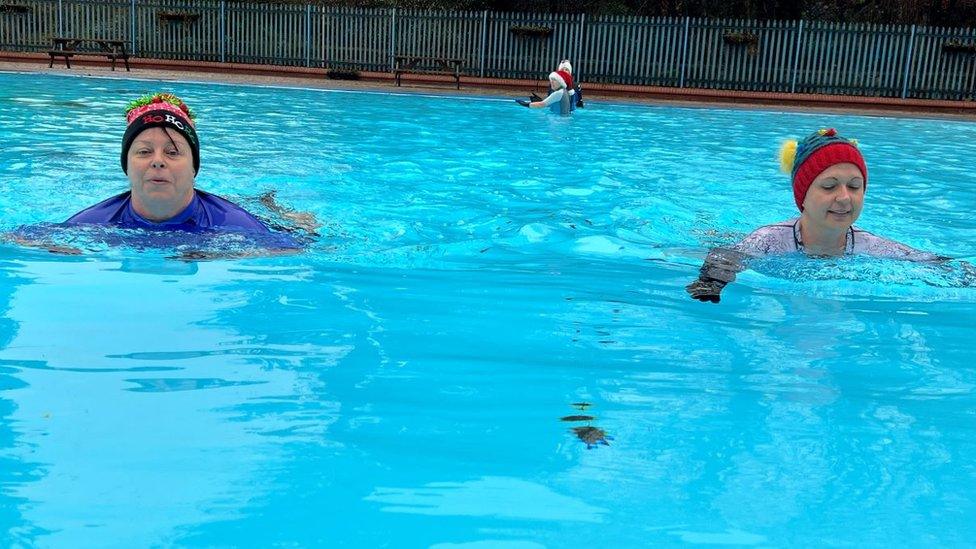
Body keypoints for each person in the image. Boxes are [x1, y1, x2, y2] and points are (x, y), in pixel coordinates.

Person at [686, 128, 948, 303]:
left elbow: (930, 262)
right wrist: (711, 285)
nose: (845, 198)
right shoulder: (770, 240)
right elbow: (725, 256)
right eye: (829, 186)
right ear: (803, 196)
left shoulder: (871, 246)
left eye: (855, 187)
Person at [66, 92, 280, 233]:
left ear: (194, 168)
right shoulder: (88, 225)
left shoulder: (240, 227)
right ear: (126, 166)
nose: (157, 161)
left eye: (173, 152)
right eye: (144, 151)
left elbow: (296, 247)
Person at [515, 60, 582, 115]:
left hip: (559, 121)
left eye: (554, 80)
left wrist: (525, 104)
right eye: (551, 80)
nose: (551, 82)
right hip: (561, 118)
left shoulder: (560, 92)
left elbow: (542, 104)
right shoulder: (565, 91)